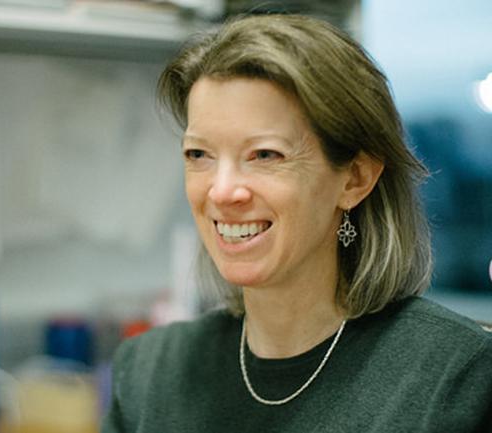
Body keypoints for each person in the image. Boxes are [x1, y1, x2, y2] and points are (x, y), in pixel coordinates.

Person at [102, 13, 492, 433]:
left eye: (265, 155)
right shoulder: (146, 372)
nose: (221, 191)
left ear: (355, 178)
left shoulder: (460, 379)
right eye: (199, 155)